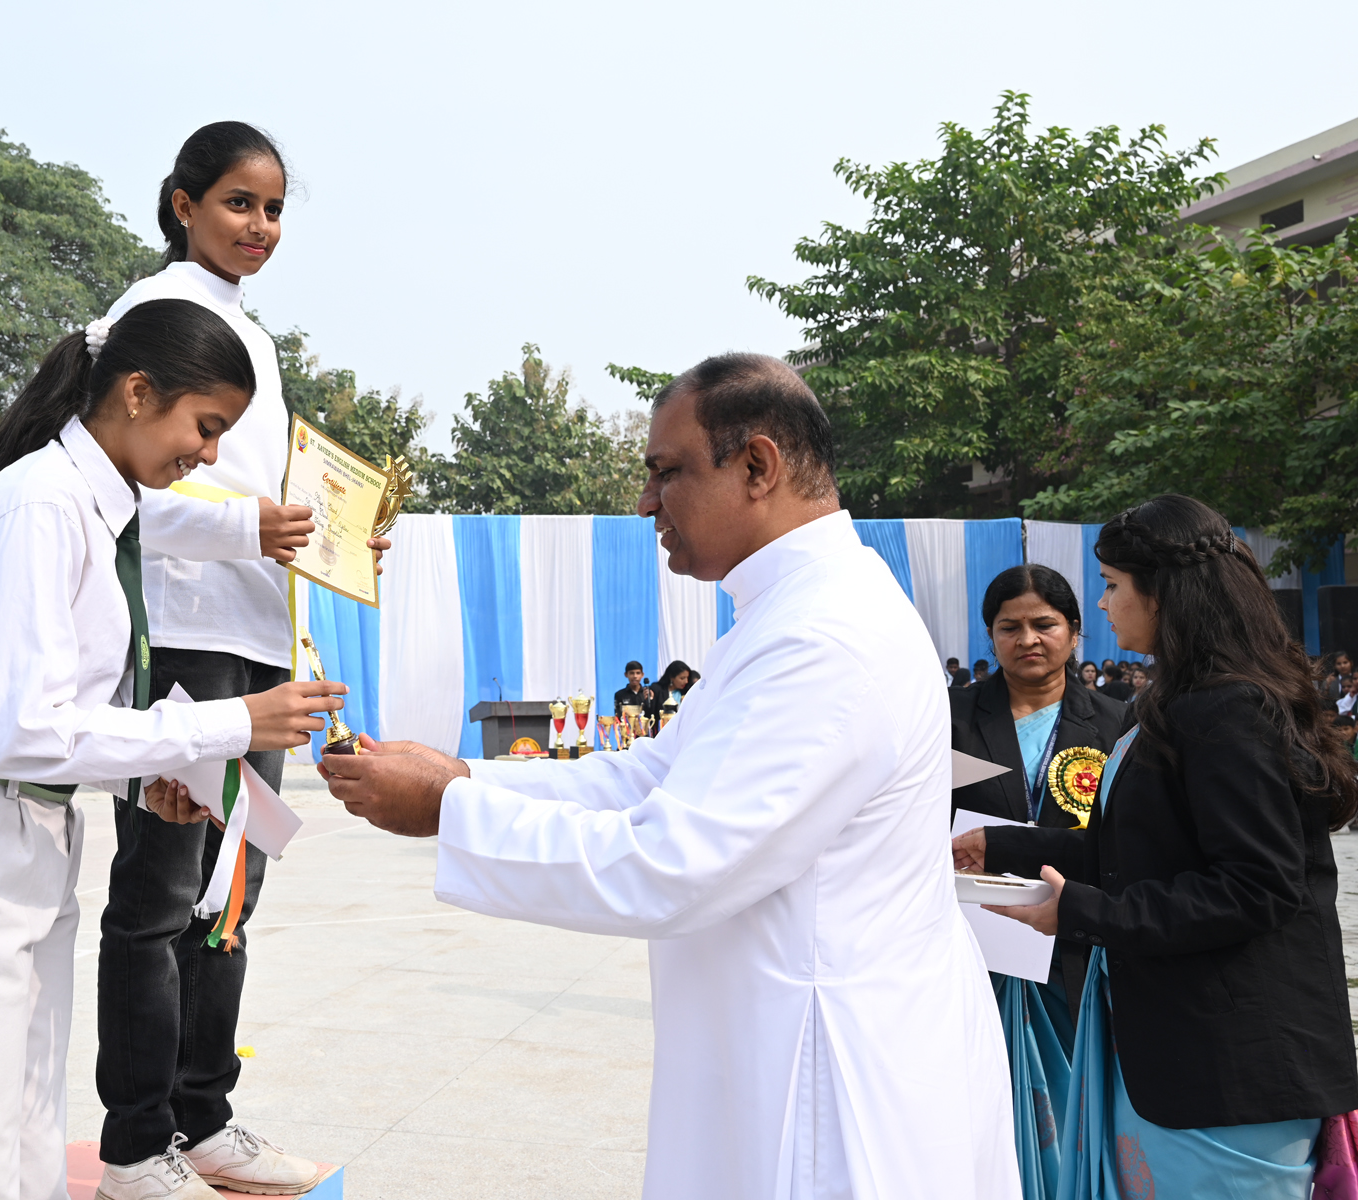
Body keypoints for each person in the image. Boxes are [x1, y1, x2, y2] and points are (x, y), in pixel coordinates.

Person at [321, 353, 1014, 1198]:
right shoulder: (789, 613)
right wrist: (463, 778)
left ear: (756, 466)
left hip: (827, 1077)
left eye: (667, 472)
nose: (646, 503)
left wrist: (450, 808)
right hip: (779, 1043)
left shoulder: (825, 637)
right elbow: (651, 776)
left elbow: (676, 862)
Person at [0, 299, 346, 1200]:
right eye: (206, 427)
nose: (208, 456)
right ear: (136, 392)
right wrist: (230, 722)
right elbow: (23, 728)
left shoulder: (94, 514)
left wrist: (145, 781)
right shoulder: (36, 506)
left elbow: (60, 718)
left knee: (25, 1137)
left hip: (26, 833)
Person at [91, 122, 383, 1198]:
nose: (259, 226)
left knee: (232, 893)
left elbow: (268, 498)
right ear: (183, 205)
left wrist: (337, 533)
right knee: (161, 892)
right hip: (183, 633)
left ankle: (204, 1121)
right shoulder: (145, 314)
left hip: (261, 637)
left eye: (274, 210)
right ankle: (135, 1146)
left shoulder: (252, 334)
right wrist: (243, 526)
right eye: (238, 203)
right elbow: (121, 486)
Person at [956, 494, 1358, 1199]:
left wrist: (1083, 912)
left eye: (1112, 585)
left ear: (1165, 593)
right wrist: (1003, 845)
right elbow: (1133, 849)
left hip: (1232, 1061)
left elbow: (1255, 887)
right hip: (1181, 1045)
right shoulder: (1175, 703)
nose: (1103, 604)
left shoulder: (1229, 710)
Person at [948, 564, 1127, 1197]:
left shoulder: (1118, 722)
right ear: (990, 636)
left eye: (1044, 624)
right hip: (971, 944)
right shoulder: (948, 716)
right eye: (1010, 627)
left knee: (1079, 1104)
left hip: (1076, 945)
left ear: (1075, 632)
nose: (1028, 639)